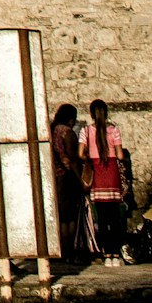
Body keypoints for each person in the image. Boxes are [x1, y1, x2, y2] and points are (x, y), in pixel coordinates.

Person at [81, 99, 130, 266]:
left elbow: (80, 153)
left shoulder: (86, 131)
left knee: (101, 218)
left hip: (98, 174)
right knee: (114, 217)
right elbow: (120, 156)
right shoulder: (114, 130)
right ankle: (116, 254)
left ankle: (106, 253)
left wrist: (89, 157)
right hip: (112, 173)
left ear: (91, 113)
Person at [50, 103, 89, 259]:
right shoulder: (68, 133)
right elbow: (73, 160)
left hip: (55, 177)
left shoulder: (52, 131)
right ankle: (70, 251)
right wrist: (81, 180)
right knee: (70, 217)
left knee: (61, 217)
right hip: (67, 178)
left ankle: (62, 251)